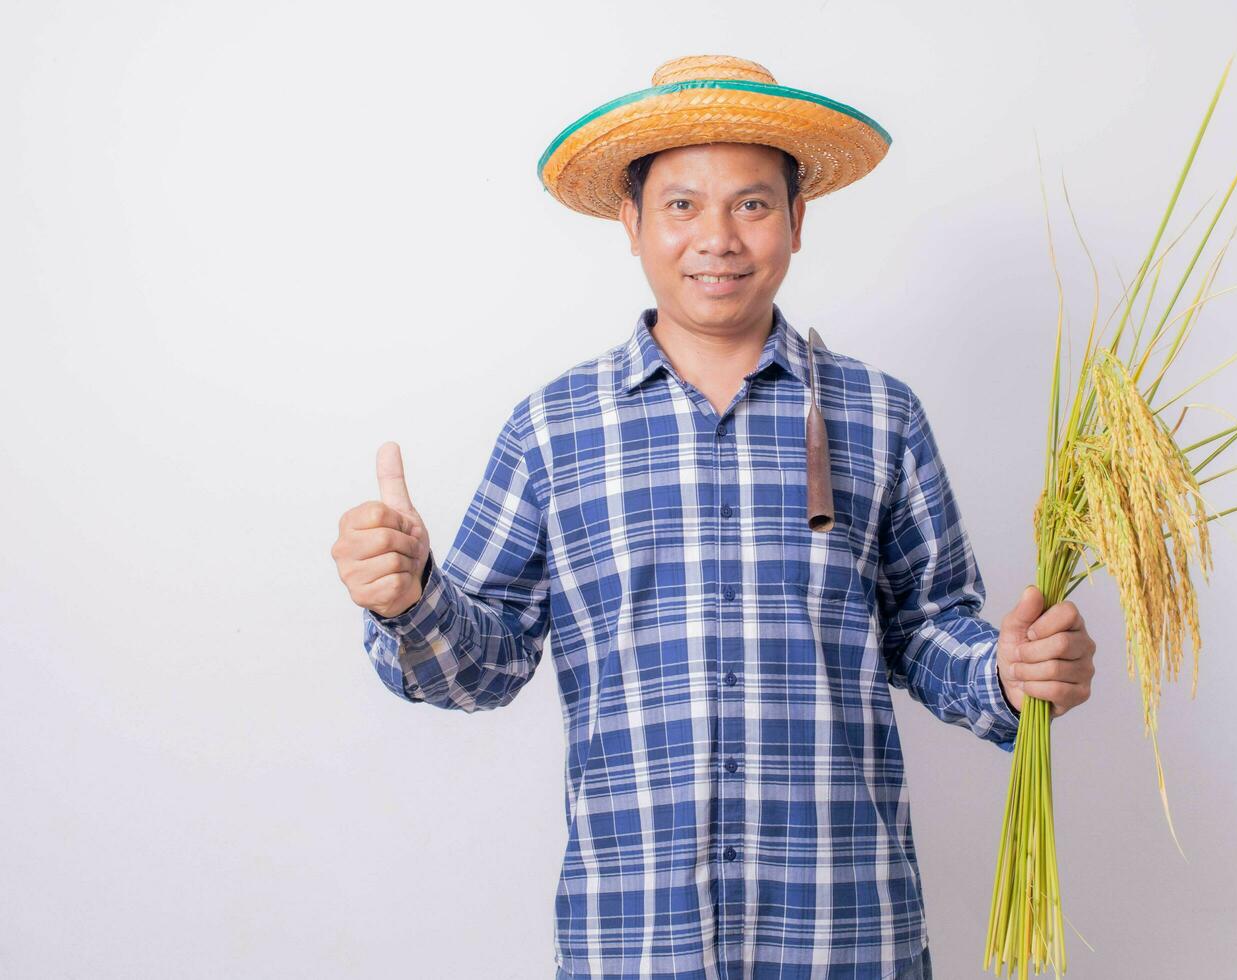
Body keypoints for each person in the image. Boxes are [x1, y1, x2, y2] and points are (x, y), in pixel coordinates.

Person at [331, 54, 1097, 980]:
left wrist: (1010, 671)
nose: (718, 238)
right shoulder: (553, 430)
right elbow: (483, 668)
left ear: (796, 222)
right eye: (682, 205)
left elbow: (930, 632)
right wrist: (409, 600)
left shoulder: (880, 416)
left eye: (752, 203)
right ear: (633, 224)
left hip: (844, 934)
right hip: (637, 939)